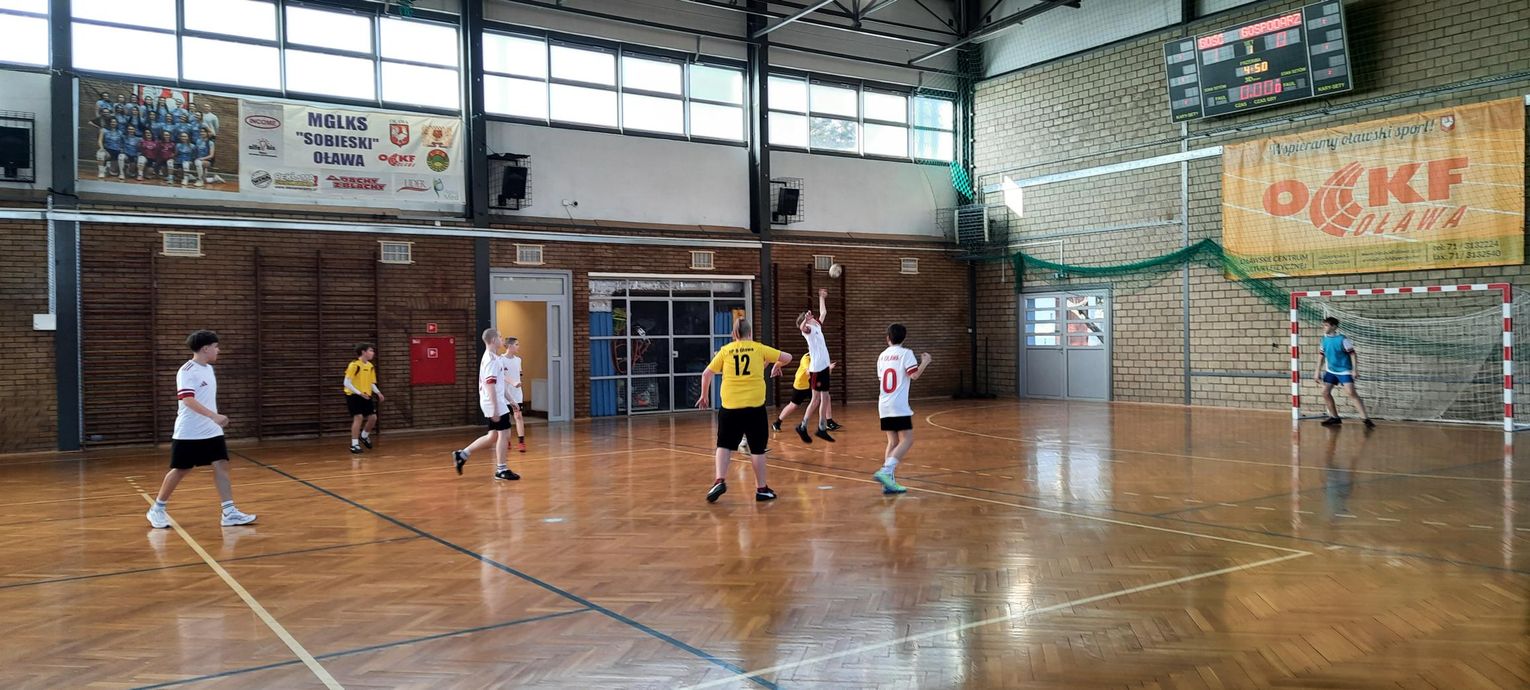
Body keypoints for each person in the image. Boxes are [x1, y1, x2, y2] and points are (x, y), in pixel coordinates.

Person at [145, 330, 257, 529]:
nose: (218, 350)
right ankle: (157, 509)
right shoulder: (187, 371)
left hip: (211, 431)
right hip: (189, 431)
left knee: (221, 464)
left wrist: (212, 421)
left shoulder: (208, 369)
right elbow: (187, 400)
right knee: (181, 469)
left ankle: (229, 512)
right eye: (215, 347)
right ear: (206, 348)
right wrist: (214, 416)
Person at [696, 317, 792, 503]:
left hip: (730, 407)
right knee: (757, 449)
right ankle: (761, 489)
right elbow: (787, 357)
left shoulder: (725, 350)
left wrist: (704, 395)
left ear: (734, 334)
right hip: (754, 408)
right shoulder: (759, 348)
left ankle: (719, 480)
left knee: (724, 445)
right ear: (750, 333)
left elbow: (706, 373)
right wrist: (776, 365)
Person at [452, 328, 520, 480]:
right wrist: (495, 408)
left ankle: (462, 454)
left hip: (497, 401)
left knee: (493, 436)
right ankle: (501, 469)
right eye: (500, 337)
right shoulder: (490, 360)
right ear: (493, 340)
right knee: (504, 434)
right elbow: (490, 385)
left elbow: (500, 383)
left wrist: (511, 400)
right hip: (493, 402)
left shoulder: (496, 358)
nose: (502, 339)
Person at [871, 324, 931, 495]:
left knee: (893, 442)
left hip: (884, 403)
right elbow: (914, 375)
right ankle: (885, 471)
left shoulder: (882, 356)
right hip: (898, 404)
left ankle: (888, 483)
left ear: (887, 338)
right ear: (904, 338)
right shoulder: (906, 353)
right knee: (908, 440)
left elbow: (882, 378)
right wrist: (925, 362)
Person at [792, 288, 839, 443]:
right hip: (817, 369)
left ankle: (821, 428)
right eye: (809, 317)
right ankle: (803, 426)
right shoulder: (808, 330)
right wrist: (805, 320)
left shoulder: (817, 325)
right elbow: (802, 328)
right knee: (816, 400)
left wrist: (821, 297)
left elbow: (823, 312)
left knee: (824, 398)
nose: (813, 317)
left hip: (823, 368)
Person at [1316, 316, 1375, 428]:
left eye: (1326, 325)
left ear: (1334, 327)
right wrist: (1317, 371)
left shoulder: (1343, 339)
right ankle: (1334, 417)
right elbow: (1321, 356)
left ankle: (1365, 419)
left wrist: (1355, 370)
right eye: (1324, 325)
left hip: (1344, 370)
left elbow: (1353, 354)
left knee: (1351, 392)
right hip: (1331, 371)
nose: (1324, 327)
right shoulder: (1323, 339)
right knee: (1325, 392)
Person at [772, 353, 834, 432]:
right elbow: (809, 372)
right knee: (793, 405)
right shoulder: (806, 358)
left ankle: (829, 422)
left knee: (826, 397)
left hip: (811, 384)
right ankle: (777, 423)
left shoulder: (820, 359)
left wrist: (828, 370)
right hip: (801, 385)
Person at [344, 342, 384, 454]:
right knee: (359, 417)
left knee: (373, 418)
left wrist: (378, 392)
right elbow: (346, 383)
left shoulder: (370, 366)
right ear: (363, 352)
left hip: (366, 395)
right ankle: (354, 444)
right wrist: (359, 393)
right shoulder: (354, 365)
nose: (373, 353)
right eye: (370, 350)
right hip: (353, 395)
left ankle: (364, 436)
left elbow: (371, 383)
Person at [501, 336, 527, 453]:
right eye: (516, 344)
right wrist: (512, 382)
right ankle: (507, 441)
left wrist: (518, 383)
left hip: (517, 394)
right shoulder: (500, 359)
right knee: (506, 418)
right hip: (505, 394)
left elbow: (519, 374)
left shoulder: (518, 360)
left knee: (518, 416)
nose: (518, 347)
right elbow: (501, 376)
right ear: (510, 346)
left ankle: (521, 442)